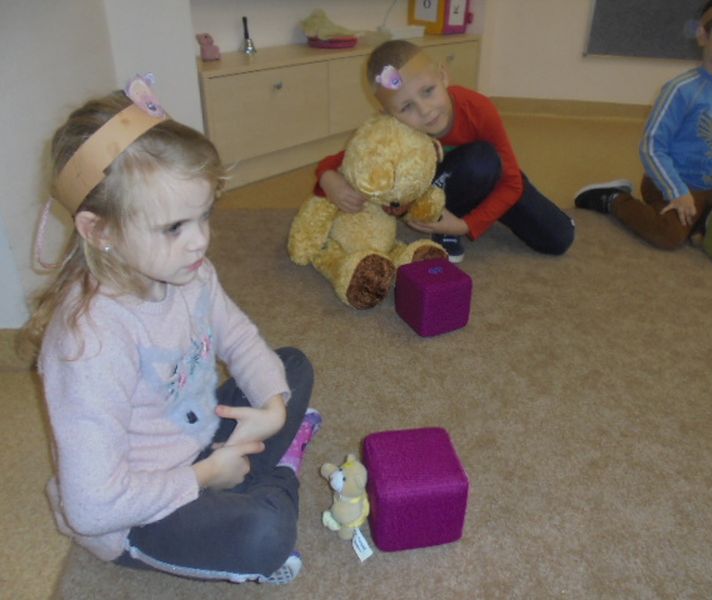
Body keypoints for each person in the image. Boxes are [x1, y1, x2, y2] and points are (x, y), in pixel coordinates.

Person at [21, 76, 321, 585]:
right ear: (100, 230)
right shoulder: (89, 342)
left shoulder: (189, 270)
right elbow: (91, 506)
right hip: (136, 510)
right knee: (265, 534)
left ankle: (257, 470)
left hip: (199, 434)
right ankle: (277, 472)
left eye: (204, 216)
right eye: (174, 227)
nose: (200, 241)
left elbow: (239, 337)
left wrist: (272, 409)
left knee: (291, 367)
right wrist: (205, 476)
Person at [314, 40, 575, 263]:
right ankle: (443, 228)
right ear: (388, 114)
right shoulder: (391, 129)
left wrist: (465, 225)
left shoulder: (479, 109)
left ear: (443, 75)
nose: (425, 111)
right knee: (481, 163)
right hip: (440, 192)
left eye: (428, 91)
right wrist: (329, 179)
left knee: (559, 238)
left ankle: (581, 201)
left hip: (489, 174)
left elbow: (511, 182)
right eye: (406, 107)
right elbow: (343, 161)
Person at [574, 0, 712, 249]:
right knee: (668, 235)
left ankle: (701, 221)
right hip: (669, 183)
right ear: (703, 35)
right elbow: (652, 146)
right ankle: (613, 199)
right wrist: (677, 191)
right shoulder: (681, 89)